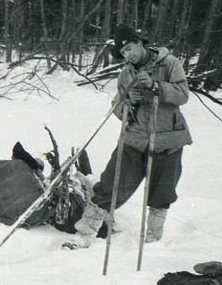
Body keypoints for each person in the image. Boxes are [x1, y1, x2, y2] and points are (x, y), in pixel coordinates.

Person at [64, 24, 191, 249]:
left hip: (168, 141)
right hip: (134, 140)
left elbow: (182, 95)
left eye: (131, 48)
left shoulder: (169, 63)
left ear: (141, 43)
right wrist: (128, 101)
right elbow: (118, 110)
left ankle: (152, 241)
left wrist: (156, 87)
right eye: (124, 52)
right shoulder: (126, 74)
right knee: (108, 187)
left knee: (161, 194)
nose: (128, 54)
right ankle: (84, 234)